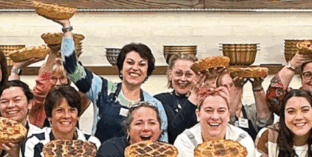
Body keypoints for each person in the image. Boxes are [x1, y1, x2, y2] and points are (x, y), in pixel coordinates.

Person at [51, 13, 168, 144]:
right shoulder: (102, 89)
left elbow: (162, 144)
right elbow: (71, 68)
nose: (135, 68)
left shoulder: (154, 105)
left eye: (142, 64)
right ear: (120, 67)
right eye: (130, 62)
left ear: (148, 72)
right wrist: (67, 28)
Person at [19, 85, 100, 157]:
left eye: (72, 110)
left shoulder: (91, 145)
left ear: (78, 116)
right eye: (59, 110)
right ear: (49, 116)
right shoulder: (34, 144)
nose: (66, 116)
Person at [26, 49, 91, 129]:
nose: (58, 83)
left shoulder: (74, 99)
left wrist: (73, 63)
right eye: (53, 78)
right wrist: (52, 53)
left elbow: (86, 90)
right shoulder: (37, 101)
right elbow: (41, 88)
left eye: (62, 78)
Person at [154, 56, 198, 142]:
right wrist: (193, 98)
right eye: (178, 73)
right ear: (170, 75)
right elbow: (174, 133)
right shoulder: (159, 100)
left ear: (197, 77)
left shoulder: (206, 102)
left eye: (189, 74)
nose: (183, 79)